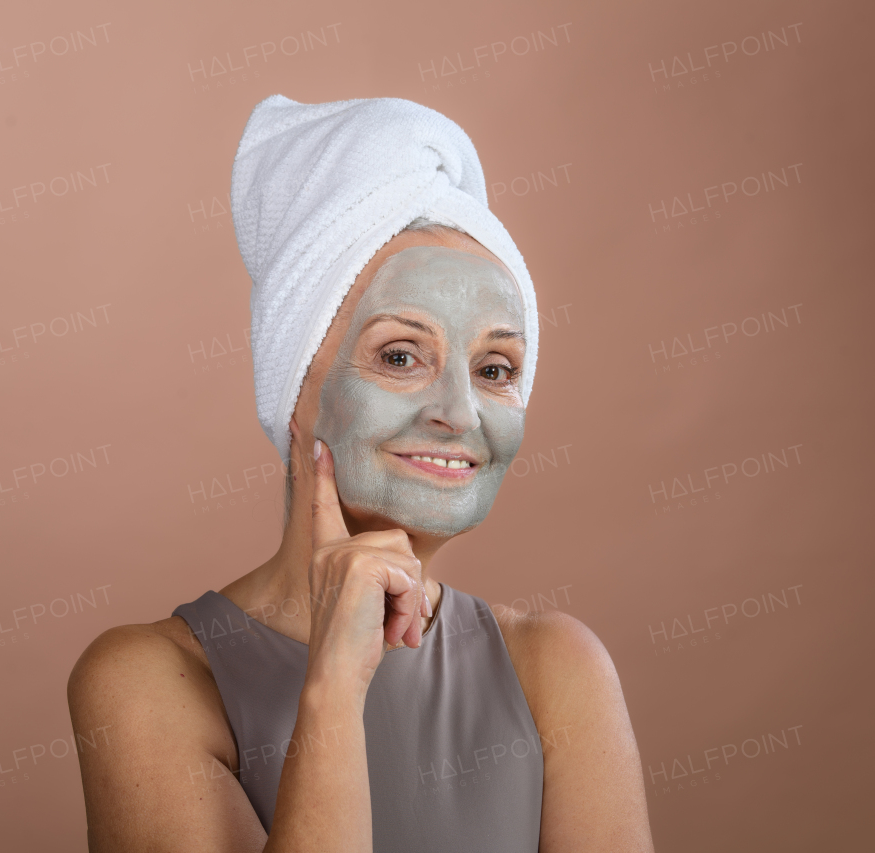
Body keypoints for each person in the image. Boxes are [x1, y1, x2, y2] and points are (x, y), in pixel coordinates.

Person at [67, 94, 653, 852]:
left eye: (495, 367)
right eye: (401, 356)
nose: (460, 412)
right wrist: (334, 690)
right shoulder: (147, 682)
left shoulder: (557, 669)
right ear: (293, 393)